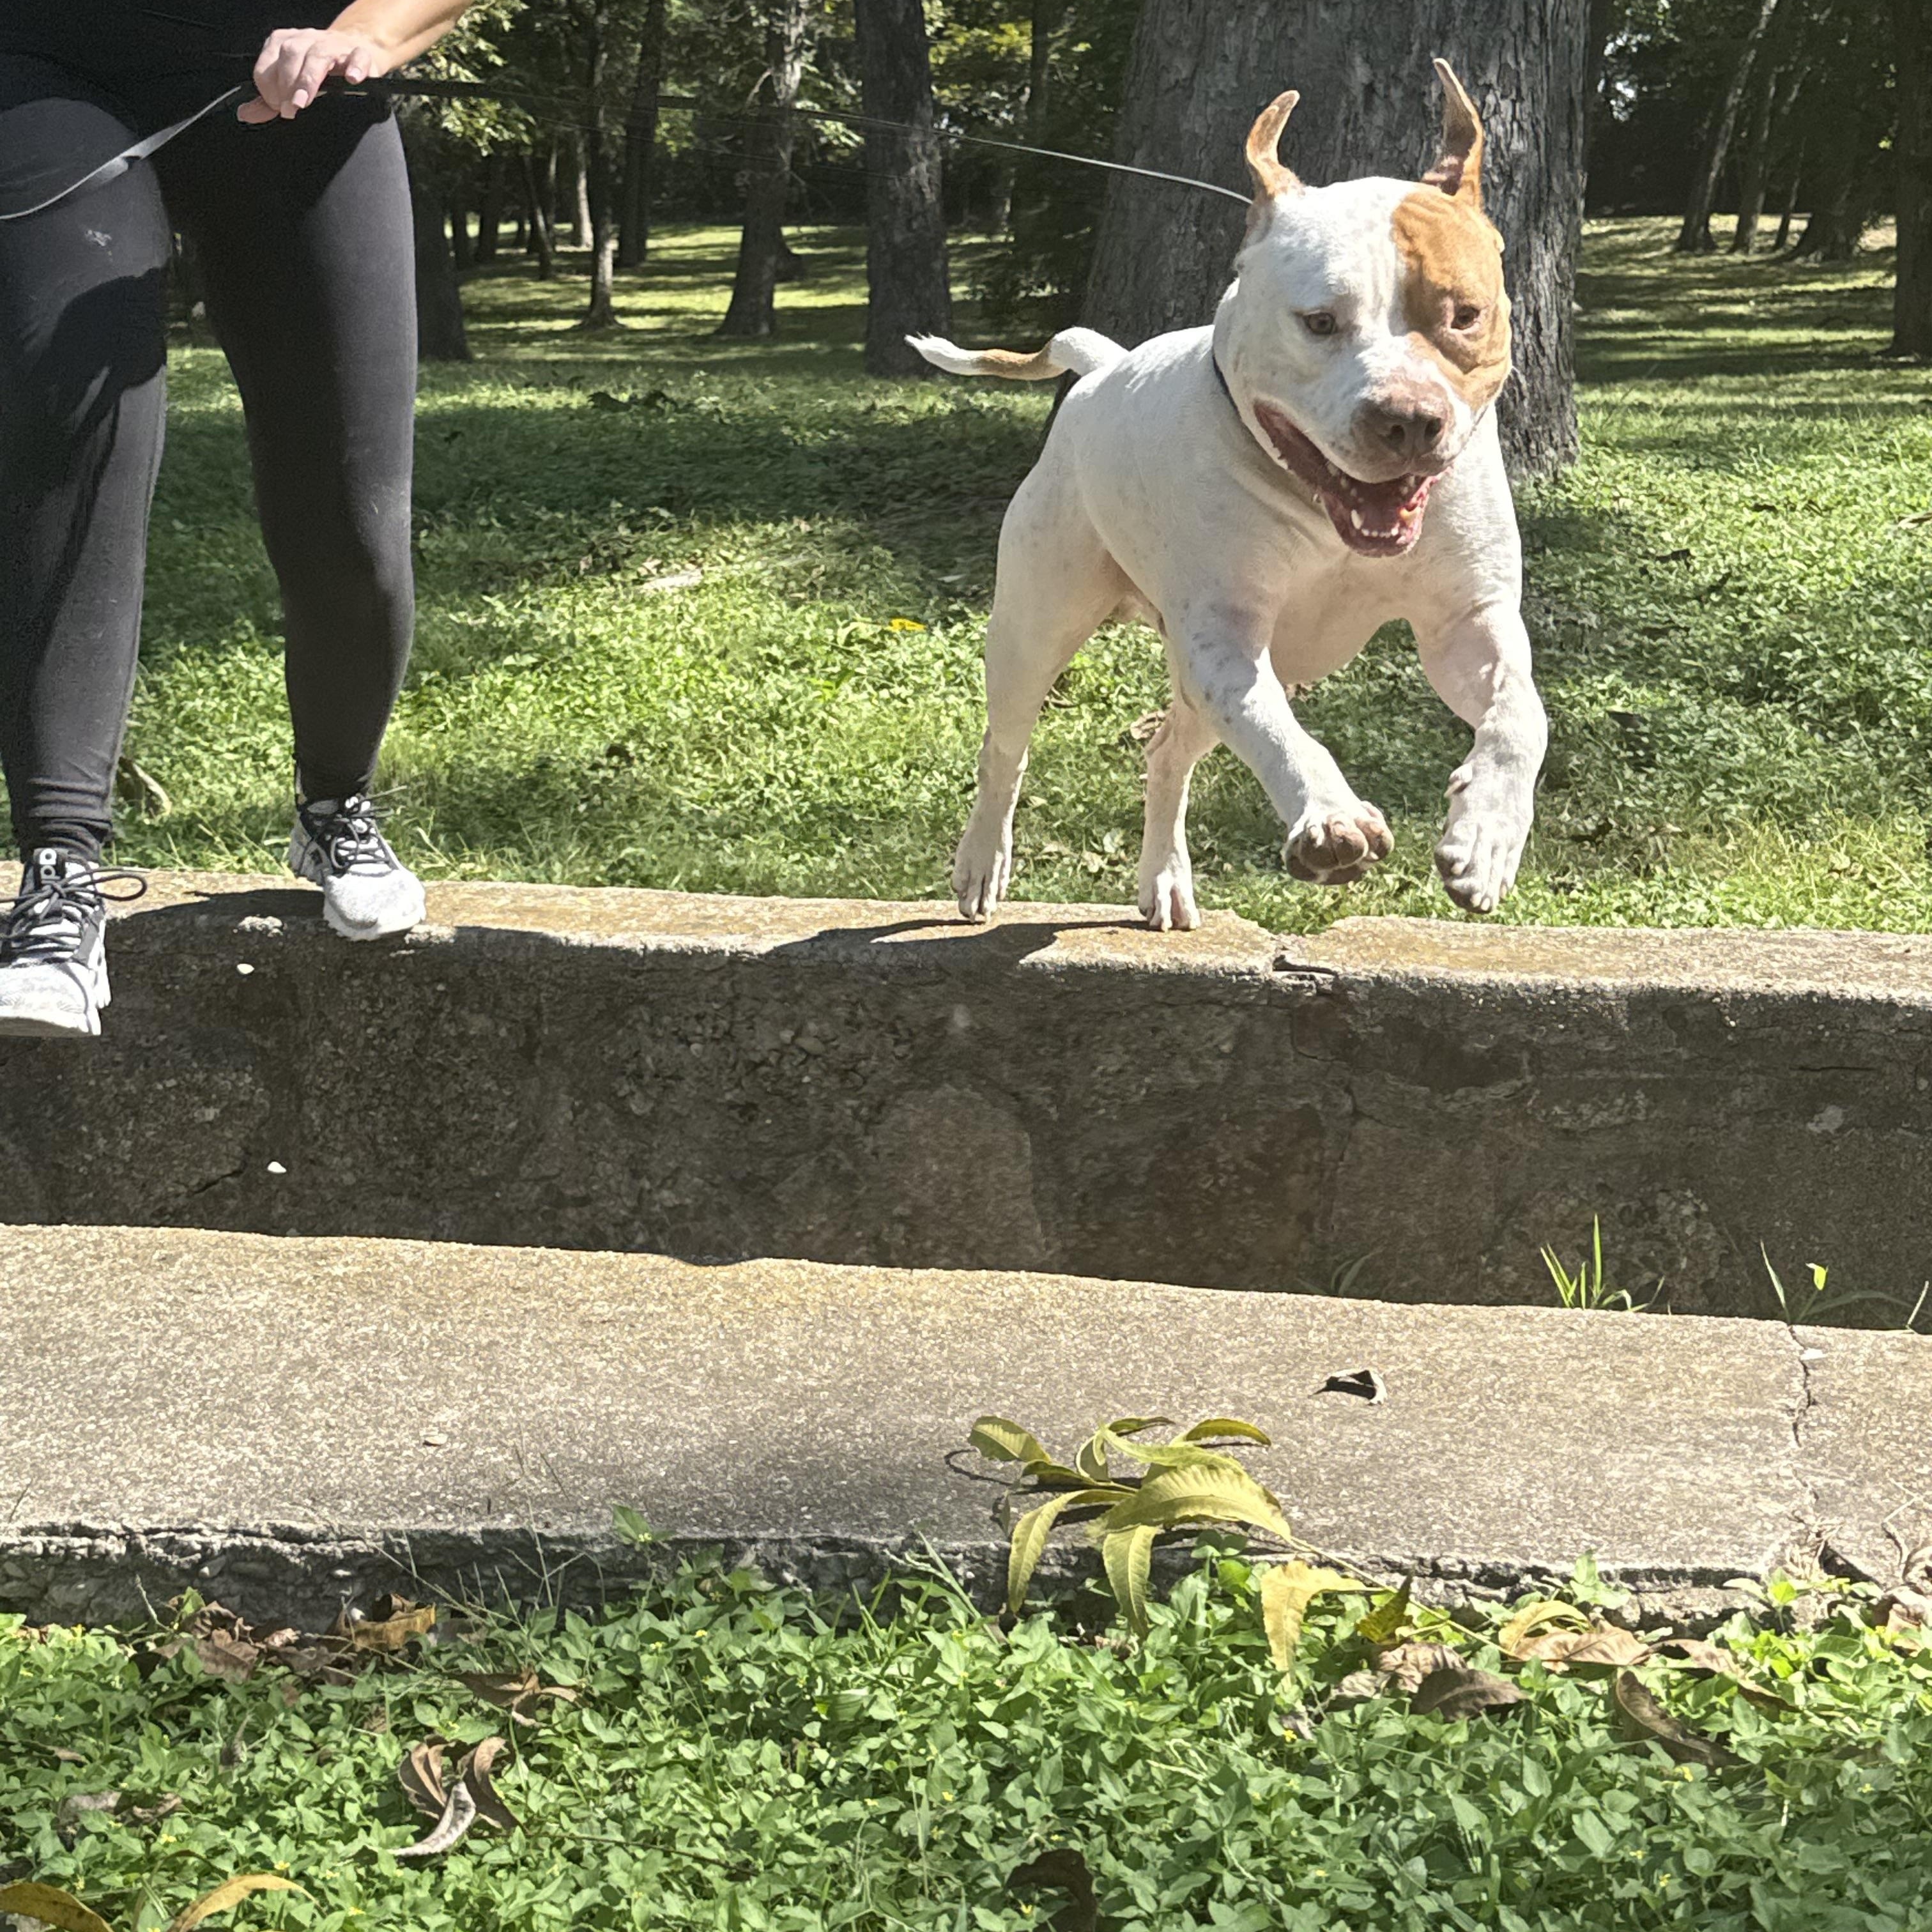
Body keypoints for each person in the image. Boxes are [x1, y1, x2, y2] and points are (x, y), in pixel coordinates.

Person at [0, 0, 477, 1038]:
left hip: (302, 68)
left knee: (349, 506)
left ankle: (334, 808)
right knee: (70, 432)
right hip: (43, 63)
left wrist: (372, 33)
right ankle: (60, 873)